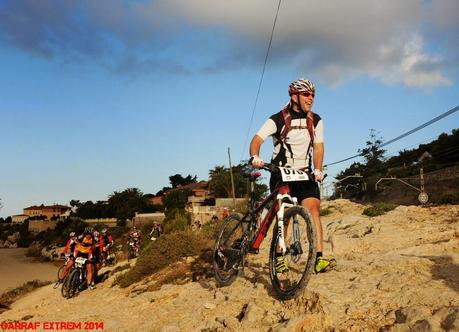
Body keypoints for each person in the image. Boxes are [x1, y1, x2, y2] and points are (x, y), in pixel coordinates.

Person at [249, 78, 334, 274]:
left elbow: (319, 146)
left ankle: (319, 259)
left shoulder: (317, 120)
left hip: (304, 173)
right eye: (306, 94)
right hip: (281, 173)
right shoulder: (277, 119)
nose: (311, 98)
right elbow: (257, 139)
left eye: (313, 95)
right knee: (284, 216)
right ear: (294, 96)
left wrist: (318, 169)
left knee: (313, 211)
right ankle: (279, 257)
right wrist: (255, 156)